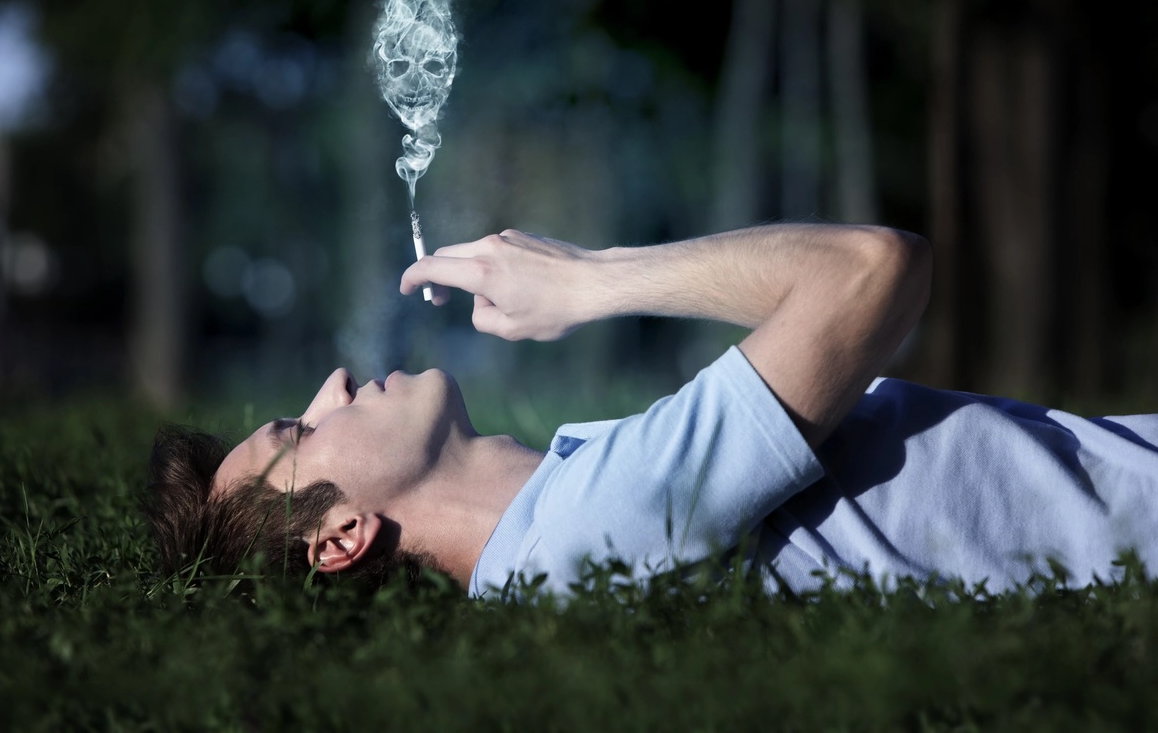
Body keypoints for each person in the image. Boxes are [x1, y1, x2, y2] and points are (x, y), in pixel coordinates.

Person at [144, 222, 1158, 598]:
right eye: (299, 431)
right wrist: (590, 283)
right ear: (344, 538)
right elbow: (872, 275)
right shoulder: (587, 536)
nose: (331, 389)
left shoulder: (577, 504)